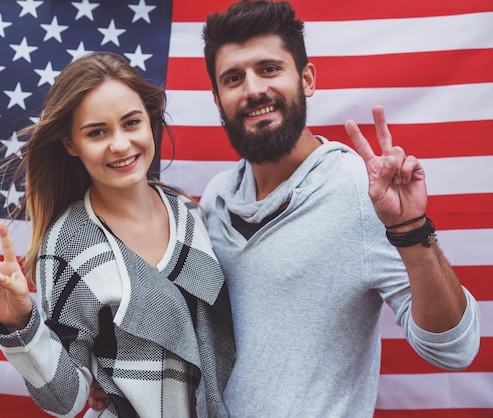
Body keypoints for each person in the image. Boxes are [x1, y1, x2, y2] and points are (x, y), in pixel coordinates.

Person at [198, 0, 481, 416]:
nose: (254, 88)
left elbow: (455, 350)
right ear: (218, 99)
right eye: (234, 78)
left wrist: (412, 229)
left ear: (307, 78)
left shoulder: (361, 193)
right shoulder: (215, 198)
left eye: (270, 69)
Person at [0, 52, 235, 418]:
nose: (121, 144)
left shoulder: (188, 212)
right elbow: (68, 399)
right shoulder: (67, 245)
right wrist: (19, 324)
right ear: (70, 144)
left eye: (131, 123)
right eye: (97, 132)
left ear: (150, 121)